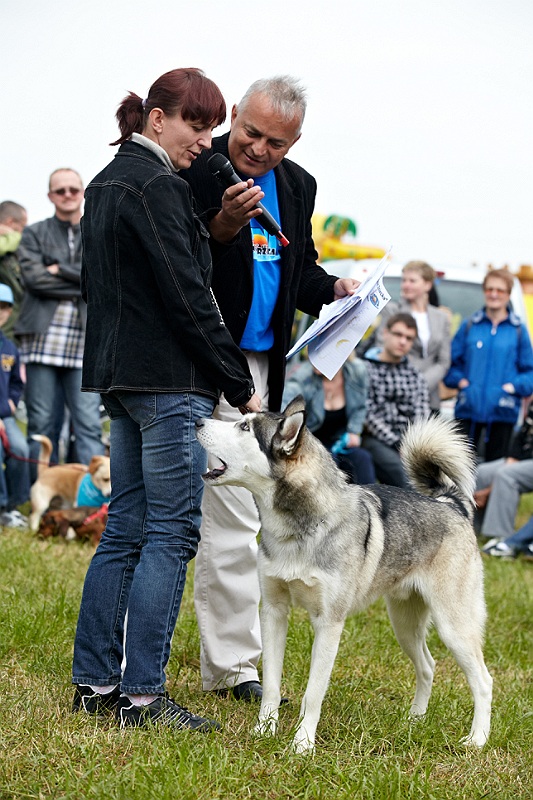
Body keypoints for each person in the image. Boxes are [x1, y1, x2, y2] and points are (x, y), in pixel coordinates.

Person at [72, 67, 260, 732]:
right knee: (171, 532)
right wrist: (238, 382)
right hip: (169, 384)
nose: (205, 142)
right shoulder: (157, 185)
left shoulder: (105, 182)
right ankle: (143, 698)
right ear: (157, 118)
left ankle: (95, 684)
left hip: (120, 378)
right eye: (195, 125)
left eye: (212, 129)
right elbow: (188, 296)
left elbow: (102, 289)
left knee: (125, 527)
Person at [181, 75, 359, 700]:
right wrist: (224, 224)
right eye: (250, 133)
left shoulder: (298, 185)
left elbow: (297, 270)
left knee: (245, 515)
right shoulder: (195, 165)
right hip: (198, 358)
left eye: (275, 142)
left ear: (295, 141)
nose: (258, 149)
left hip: (261, 370)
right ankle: (200, 663)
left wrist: (332, 290)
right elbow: (181, 262)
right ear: (233, 115)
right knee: (191, 513)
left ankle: (235, 667)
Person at [15, 169, 104, 477]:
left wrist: (58, 270)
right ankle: (42, 490)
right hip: (41, 341)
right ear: (51, 196)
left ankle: (92, 495)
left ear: (82, 193)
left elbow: (99, 280)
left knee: (88, 423)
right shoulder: (34, 233)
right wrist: (80, 280)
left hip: (85, 343)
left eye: (73, 189)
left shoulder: (96, 230)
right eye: (60, 190)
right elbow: (34, 280)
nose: (67, 195)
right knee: (41, 423)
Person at [444, 268, 533, 462]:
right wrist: (461, 383)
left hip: (503, 413)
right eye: (490, 289)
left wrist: (512, 387)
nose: (494, 294)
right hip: (468, 411)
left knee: (494, 470)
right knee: (460, 467)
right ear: (484, 291)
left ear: (508, 294)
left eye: (500, 290)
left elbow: (529, 373)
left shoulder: (518, 330)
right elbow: (451, 365)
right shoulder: (469, 325)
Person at [281, 357, 375, 484]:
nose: (316, 360)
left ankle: (368, 497)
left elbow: (360, 407)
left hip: (340, 441)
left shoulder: (356, 371)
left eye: (325, 356)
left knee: (363, 459)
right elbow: (285, 409)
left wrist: (354, 431)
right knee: (330, 465)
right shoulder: (303, 377)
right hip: (311, 443)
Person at [362, 312, 430, 487]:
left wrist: (412, 444)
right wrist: (397, 444)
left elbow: (421, 413)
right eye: (398, 334)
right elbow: (368, 415)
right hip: (376, 438)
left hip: (411, 442)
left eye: (409, 338)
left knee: (432, 475)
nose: (403, 342)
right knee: (405, 476)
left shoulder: (415, 375)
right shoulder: (365, 369)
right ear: (385, 333)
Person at [376, 260, 451, 413]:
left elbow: (444, 361)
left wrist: (420, 384)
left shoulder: (441, 317)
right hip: (395, 395)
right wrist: (406, 385)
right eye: (404, 280)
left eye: (412, 281)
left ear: (427, 285)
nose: (406, 285)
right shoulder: (392, 311)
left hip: (430, 397)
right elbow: (381, 347)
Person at [474, 399, 533, 541]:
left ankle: (499, 536)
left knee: (506, 475)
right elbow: (521, 438)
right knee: (483, 472)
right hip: (524, 458)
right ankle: (474, 531)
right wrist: (511, 460)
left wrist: (488, 491)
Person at [0, 284, 30, 527]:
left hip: (5, 414)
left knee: (20, 448)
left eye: (4, 307)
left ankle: (14, 505)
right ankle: (1, 506)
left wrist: (11, 403)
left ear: (9, 312)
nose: (0, 312)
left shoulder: (9, 348)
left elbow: (17, 383)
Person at [0, 201, 27, 341]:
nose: (24, 231)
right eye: (23, 226)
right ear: (10, 222)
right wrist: (13, 235)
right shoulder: (12, 241)